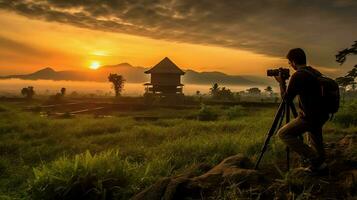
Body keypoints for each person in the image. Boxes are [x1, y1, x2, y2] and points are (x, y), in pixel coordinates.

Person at [275, 48, 329, 174]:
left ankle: (314, 159)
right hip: (321, 114)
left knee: (283, 134)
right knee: (315, 137)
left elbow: (286, 99)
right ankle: (321, 166)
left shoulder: (298, 75)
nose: (290, 65)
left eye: (289, 62)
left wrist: (281, 82)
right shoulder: (314, 72)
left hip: (309, 117)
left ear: (293, 61)